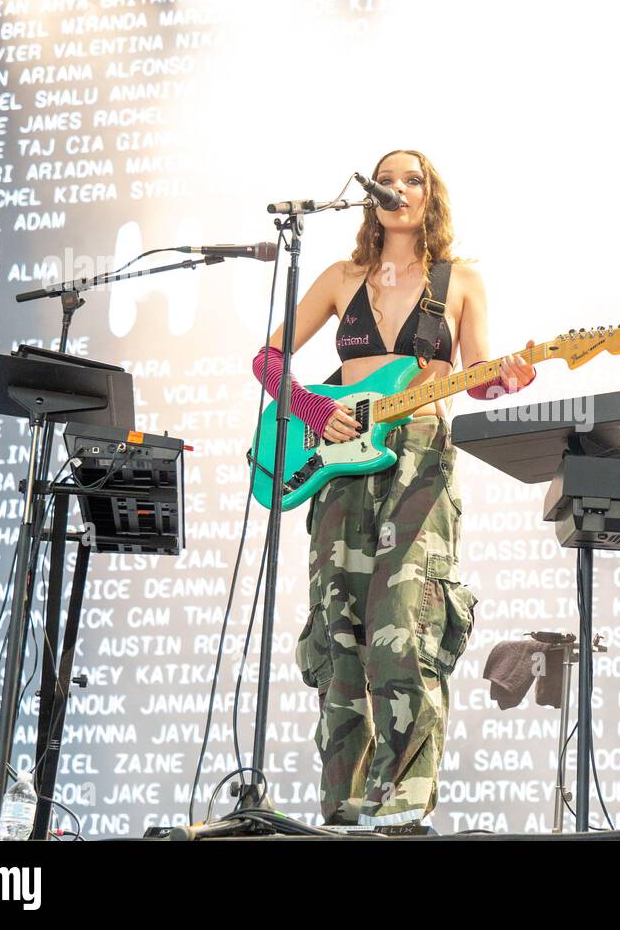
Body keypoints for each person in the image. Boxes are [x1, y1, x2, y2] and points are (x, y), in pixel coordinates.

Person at [251, 149, 536, 826]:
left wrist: (514, 376)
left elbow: (478, 376)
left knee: (403, 627)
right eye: (389, 177)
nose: (398, 187)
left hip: (419, 459)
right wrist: (317, 410)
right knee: (339, 633)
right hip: (339, 458)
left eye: (413, 179)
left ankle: (399, 807)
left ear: (430, 196)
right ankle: (343, 809)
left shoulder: (459, 280)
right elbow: (267, 358)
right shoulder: (340, 277)